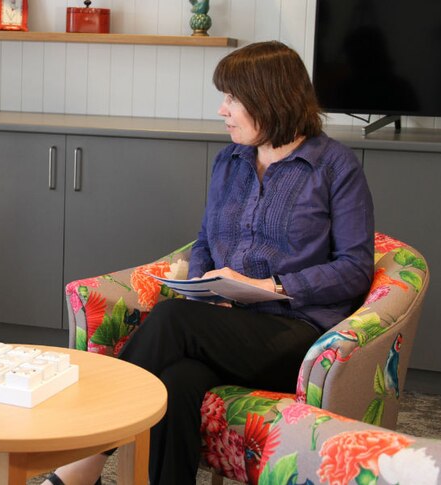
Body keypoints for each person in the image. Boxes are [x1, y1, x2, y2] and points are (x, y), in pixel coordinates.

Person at [44, 41, 374, 485]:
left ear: (271, 98)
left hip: (296, 334)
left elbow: (355, 269)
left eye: (233, 99)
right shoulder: (229, 161)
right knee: (177, 382)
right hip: (223, 326)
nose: (222, 110)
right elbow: (205, 241)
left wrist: (272, 286)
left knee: (173, 320)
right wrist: (206, 284)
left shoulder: (334, 167)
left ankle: (82, 459)